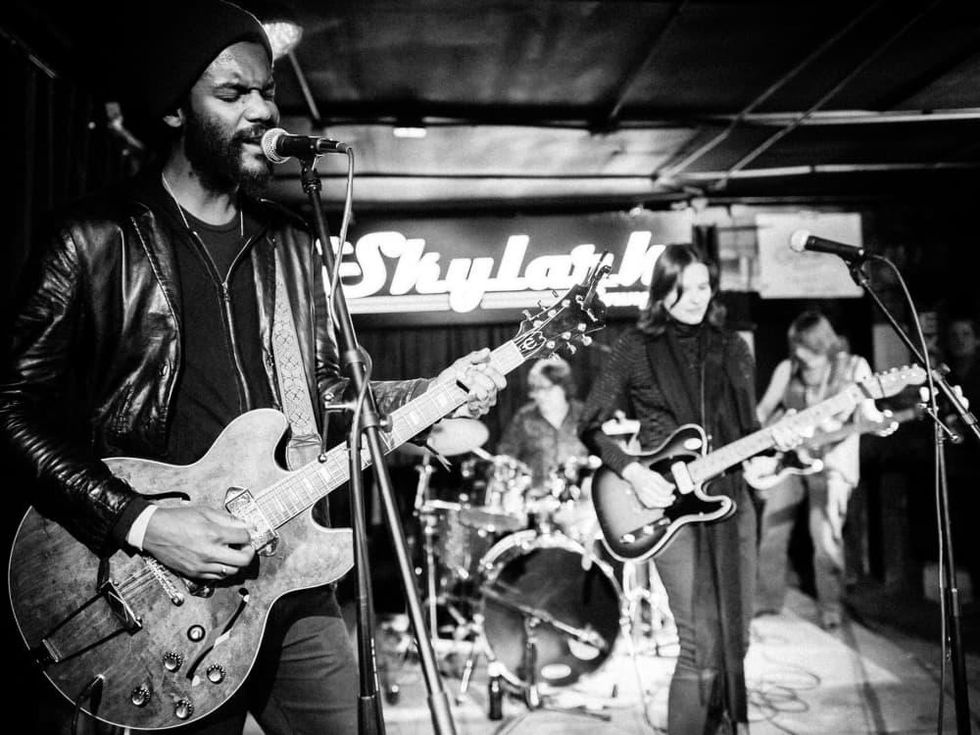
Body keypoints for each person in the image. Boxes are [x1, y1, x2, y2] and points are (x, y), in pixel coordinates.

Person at [0, 2, 505, 733]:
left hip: (290, 567)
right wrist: (141, 521)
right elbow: (13, 410)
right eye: (233, 94)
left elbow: (330, 392)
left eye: (266, 92)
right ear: (175, 110)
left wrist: (432, 395)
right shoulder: (93, 238)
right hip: (156, 592)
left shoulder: (294, 244)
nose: (262, 110)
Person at [580, 243, 785, 735]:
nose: (695, 297)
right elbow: (590, 425)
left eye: (703, 286)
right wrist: (634, 472)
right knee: (699, 643)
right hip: (668, 506)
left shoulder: (732, 347)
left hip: (731, 501)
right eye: (682, 288)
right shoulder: (635, 346)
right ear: (662, 292)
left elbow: (750, 431)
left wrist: (771, 452)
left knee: (735, 641)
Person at [753, 310, 885, 630]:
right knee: (772, 530)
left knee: (825, 537)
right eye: (796, 346)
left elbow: (868, 414)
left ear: (824, 342)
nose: (801, 354)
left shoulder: (852, 368)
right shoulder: (788, 369)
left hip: (832, 461)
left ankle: (831, 607)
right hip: (788, 461)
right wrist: (760, 444)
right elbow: (762, 411)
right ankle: (767, 600)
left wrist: (881, 423)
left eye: (807, 346)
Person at [498, 357, 596, 539]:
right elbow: (506, 458)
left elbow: (603, 456)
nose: (538, 396)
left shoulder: (584, 416)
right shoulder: (525, 418)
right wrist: (511, 489)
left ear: (563, 387)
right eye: (535, 389)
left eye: (545, 389)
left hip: (579, 508)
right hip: (536, 507)